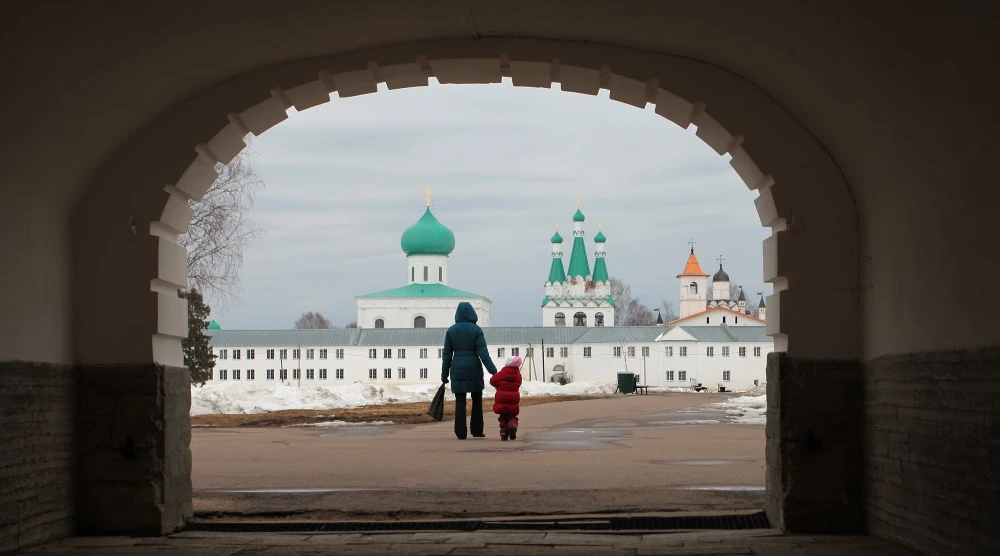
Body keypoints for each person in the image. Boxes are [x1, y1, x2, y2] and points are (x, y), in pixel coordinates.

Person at [441, 302, 498, 439]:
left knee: (460, 401)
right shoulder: (476, 330)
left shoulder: (451, 331)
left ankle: (460, 432)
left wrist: (444, 374)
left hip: (457, 369)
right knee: (477, 399)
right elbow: (483, 353)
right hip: (474, 368)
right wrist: (494, 371)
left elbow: (447, 355)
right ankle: (477, 430)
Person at [490, 356, 523, 441]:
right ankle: (512, 425)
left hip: (502, 398)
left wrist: (498, 385)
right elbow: (519, 384)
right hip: (513, 398)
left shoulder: (502, 373)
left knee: (503, 417)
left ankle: (504, 433)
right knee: (512, 415)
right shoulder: (518, 375)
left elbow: (492, 381)